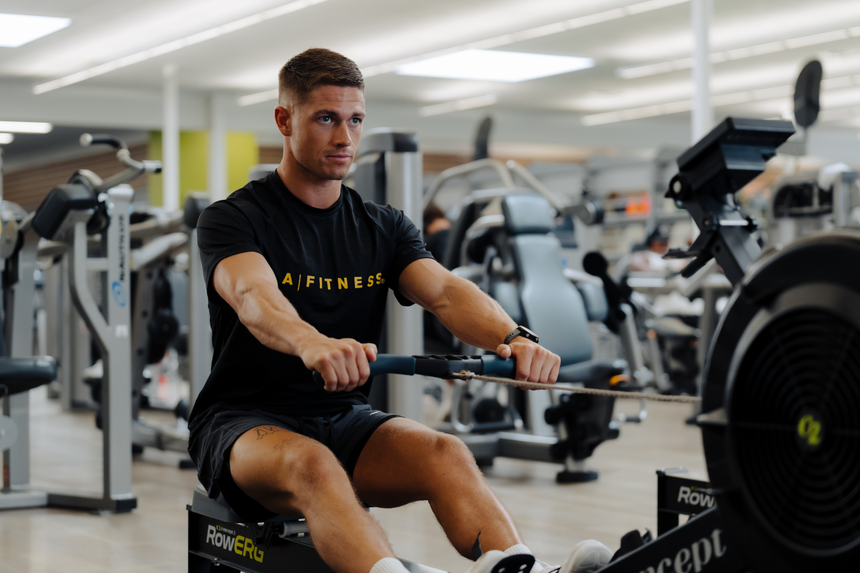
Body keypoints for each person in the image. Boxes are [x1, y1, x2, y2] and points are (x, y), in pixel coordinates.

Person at [188, 48, 613, 573]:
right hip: (243, 425)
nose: (345, 137)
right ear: (284, 119)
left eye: (355, 120)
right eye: (326, 118)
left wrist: (516, 337)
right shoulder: (233, 219)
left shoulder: (382, 226)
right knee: (313, 464)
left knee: (447, 453)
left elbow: (445, 292)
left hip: (343, 418)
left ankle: (517, 568)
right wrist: (311, 342)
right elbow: (254, 298)